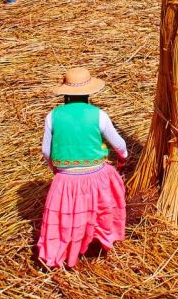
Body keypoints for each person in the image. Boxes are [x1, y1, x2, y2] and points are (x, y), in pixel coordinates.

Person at [39, 67, 129, 269]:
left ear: (65, 93)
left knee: (66, 218)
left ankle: (66, 253)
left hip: (65, 180)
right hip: (96, 175)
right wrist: (123, 159)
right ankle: (99, 242)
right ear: (88, 92)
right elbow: (120, 145)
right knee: (104, 204)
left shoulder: (52, 116)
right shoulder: (98, 114)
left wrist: (56, 169)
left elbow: (46, 151)